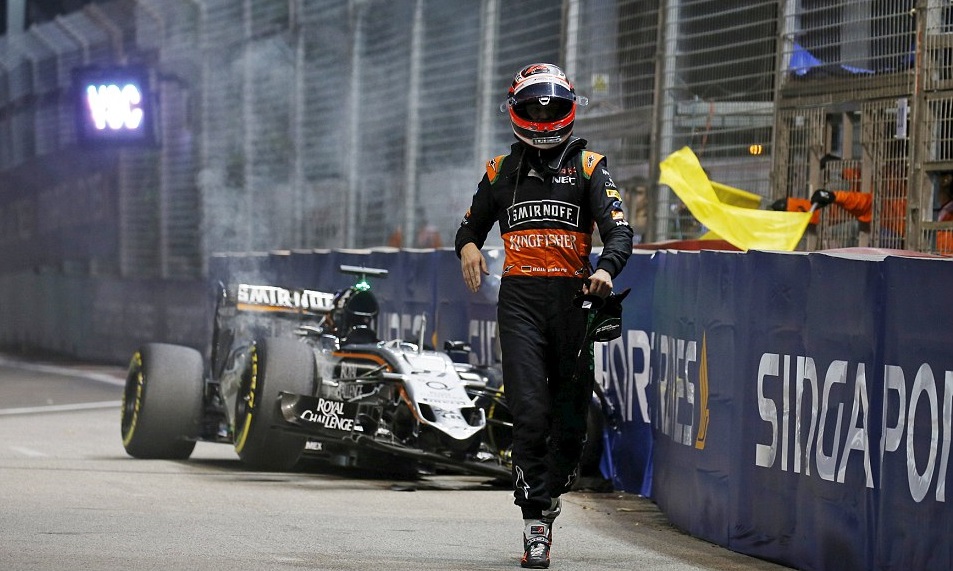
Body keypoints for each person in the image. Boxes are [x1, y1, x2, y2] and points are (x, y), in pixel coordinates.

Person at [454, 63, 633, 569]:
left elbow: (620, 232)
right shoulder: (499, 172)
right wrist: (468, 247)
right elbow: (467, 229)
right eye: (534, 106)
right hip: (521, 302)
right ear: (518, 110)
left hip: (574, 304)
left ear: (568, 109)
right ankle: (535, 520)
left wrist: (606, 270)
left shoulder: (591, 166)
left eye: (552, 106)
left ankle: (551, 492)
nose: (544, 114)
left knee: (571, 423)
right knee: (530, 413)